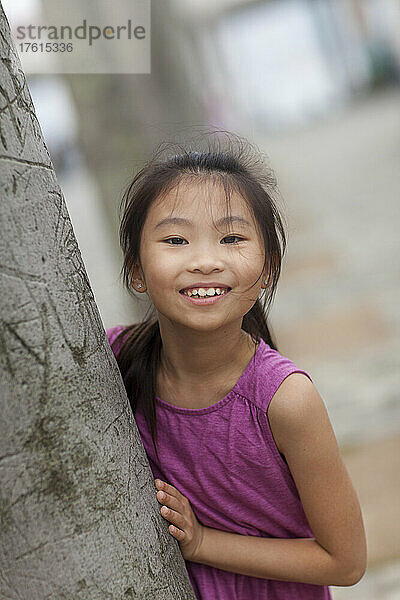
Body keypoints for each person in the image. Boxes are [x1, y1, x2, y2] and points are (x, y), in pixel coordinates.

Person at [106, 131, 367, 599]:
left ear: (266, 269)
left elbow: (344, 561)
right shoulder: (113, 361)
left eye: (231, 238)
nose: (205, 261)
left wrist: (203, 542)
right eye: (176, 239)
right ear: (136, 270)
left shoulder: (284, 400)